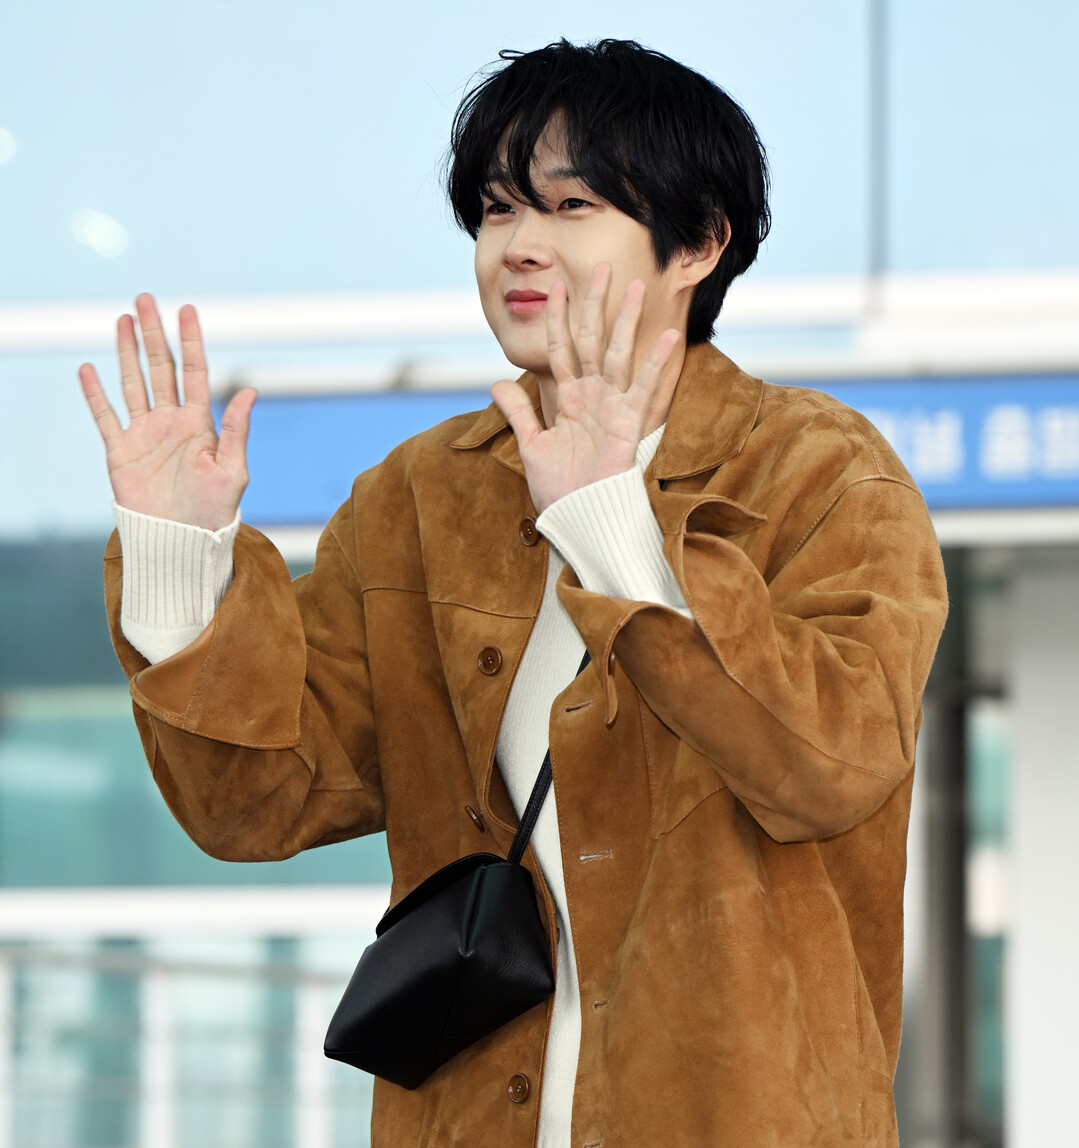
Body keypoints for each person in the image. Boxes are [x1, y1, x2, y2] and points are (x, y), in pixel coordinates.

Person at [79, 39, 947, 1147]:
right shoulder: (421, 494)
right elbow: (258, 802)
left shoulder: (820, 471)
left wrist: (612, 520)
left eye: (571, 205)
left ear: (698, 241)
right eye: (496, 210)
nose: (518, 245)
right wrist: (178, 555)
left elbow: (828, 767)